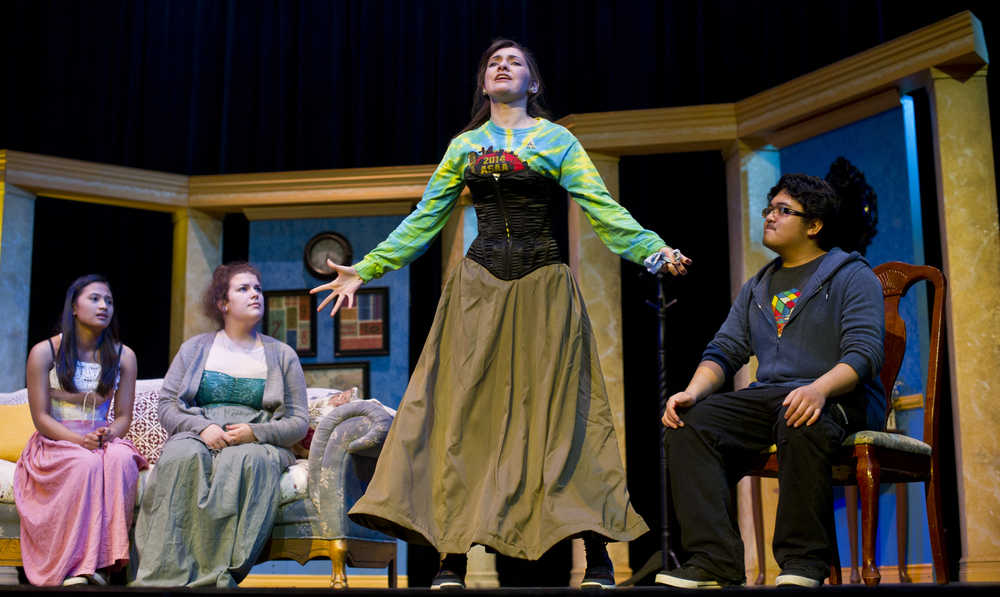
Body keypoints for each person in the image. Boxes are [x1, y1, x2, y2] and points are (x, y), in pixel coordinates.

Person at [310, 39, 692, 589]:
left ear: (533, 84)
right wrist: (367, 268)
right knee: (464, 418)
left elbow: (601, 208)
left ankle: (598, 557)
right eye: (493, 62)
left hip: (544, 289)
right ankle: (452, 558)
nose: (502, 66)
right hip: (479, 291)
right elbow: (425, 218)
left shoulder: (556, 140)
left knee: (567, 416)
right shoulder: (465, 146)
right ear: (484, 83)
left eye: (514, 62)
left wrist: (651, 249)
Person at [655, 166, 883, 589]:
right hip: (772, 397)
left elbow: (863, 355)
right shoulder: (758, 287)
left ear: (813, 225)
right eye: (769, 209)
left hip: (837, 396)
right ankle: (714, 561)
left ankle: (804, 562)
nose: (770, 217)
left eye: (783, 210)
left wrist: (817, 389)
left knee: (798, 413)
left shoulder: (852, 275)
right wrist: (691, 391)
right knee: (689, 423)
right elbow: (723, 352)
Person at [131, 262, 309, 587]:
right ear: (223, 303)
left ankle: (217, 576)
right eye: (243, 289)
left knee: (245, 461)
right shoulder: (195, 348)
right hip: (200, 432)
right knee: (180, 458)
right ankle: (163, 576)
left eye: (257, 288)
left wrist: (256, 432)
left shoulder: (282, 355)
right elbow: (167, 405)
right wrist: (201, 428)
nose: (255, 294)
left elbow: (298, 421)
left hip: (258, 441)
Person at [14, 274, 147, 586]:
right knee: (85, 463)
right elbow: (41, 417)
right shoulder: (44, 352)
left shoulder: (124, 355)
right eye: (95, 298)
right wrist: (79, 441)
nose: (104, 306)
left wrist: (107, 434)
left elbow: (123, 416)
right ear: (74, 306)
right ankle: (74, 567)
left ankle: (104, 565)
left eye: (109, 301)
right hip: (57, 440)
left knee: (120, 461)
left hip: (100, 439)